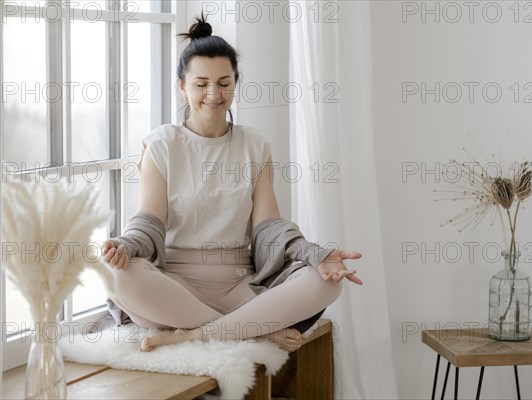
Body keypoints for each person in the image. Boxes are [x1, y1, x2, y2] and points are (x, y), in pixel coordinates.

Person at [101, 15, 362, 353]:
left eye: (224, 83)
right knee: (119, 275)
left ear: (236, 83)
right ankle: (253, 331)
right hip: (176, 285)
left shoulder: (256, 145)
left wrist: (316, 254)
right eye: (201, 84)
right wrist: (125, 247)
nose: (214, 93)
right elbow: (148, 222)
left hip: (239, 281)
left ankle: (196, 334)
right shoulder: (162, 145)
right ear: (182, 86)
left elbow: (269, 227)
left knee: (327, 284)